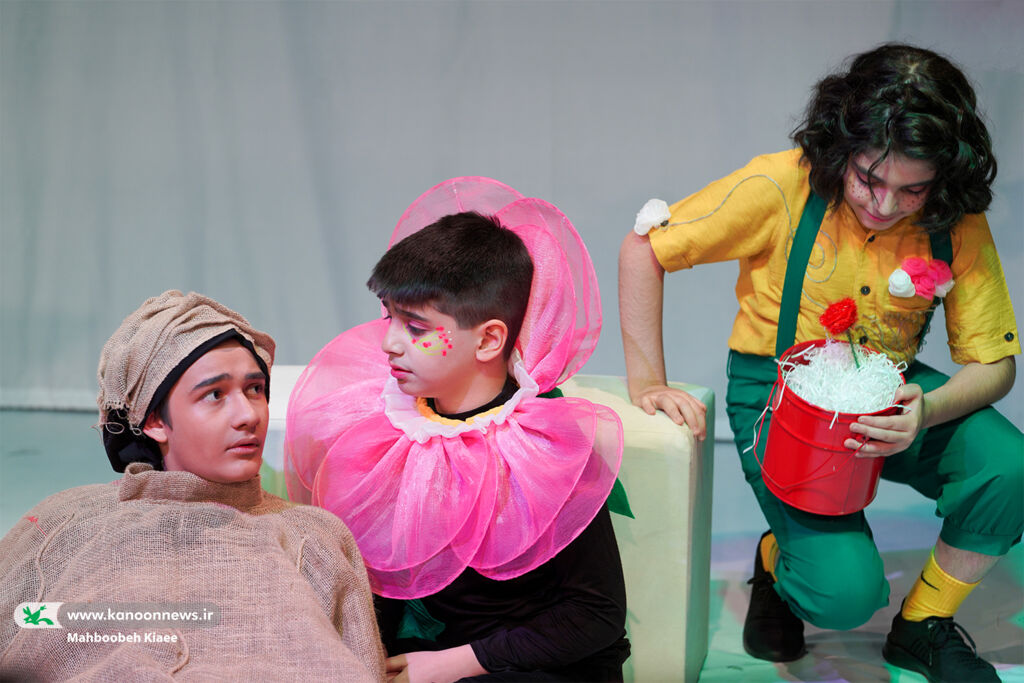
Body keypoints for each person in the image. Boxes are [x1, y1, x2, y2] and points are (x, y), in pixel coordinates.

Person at [619, 43, 1020, 682]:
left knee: (1009, 467)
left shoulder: (954, 218)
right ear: (840, 147)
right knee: (844, 597)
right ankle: (777, 561)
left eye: (912, 190)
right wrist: (648, 383)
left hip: (890, 392)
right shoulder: (780, 184)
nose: (884, 204)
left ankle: (923, 624)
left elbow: (995, 365)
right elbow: (646, 249)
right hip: (779, 396)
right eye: (868, 179)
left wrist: (927, 409)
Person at [286, 178, 631, 682]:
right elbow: (376, 586)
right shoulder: (386, 429)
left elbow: (595, 615)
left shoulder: (545, 450)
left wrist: (448, 665)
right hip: (430, 659)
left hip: (540, 665)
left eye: (416, 328)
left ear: (489, 340)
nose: (389, 343)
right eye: (389, 318)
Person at [0, 290, 385, 681]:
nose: (248, 415)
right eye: (215, 395)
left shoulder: (313, 537)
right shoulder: (64, 525)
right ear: (154, 420)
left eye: (255, 389)